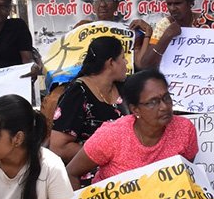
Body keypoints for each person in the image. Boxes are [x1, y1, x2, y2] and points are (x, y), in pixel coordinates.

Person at [65, 70, 197, 189]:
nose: (164, 107)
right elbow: (71, 173)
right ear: (135, 109)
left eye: (166, 97)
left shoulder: (184, 129)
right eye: (153, 102)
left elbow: (186, 173)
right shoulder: (112, 135)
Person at [49, 36, 128, 165]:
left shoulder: (123, 87)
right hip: (90, 170)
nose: (126, 62)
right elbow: (58, 147)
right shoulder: (78, 93)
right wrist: (106, 156)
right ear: (111, 63)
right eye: (123, 58)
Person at [142, 0, 214, 69]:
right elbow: (145, 64)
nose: (172, 8)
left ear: (191, 2)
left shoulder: (208, 23)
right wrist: (166, 36)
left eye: (177, 3)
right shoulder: (164, 25)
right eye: (169, 4)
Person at [72, 0, 153, 68]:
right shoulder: (83, 30)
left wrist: (148, 33)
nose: (102, 4)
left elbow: (140, 64)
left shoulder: (131, 32)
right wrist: (74, 32)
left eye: (108, 0)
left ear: (117, 5)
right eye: (97, 0)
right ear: (93, 5)